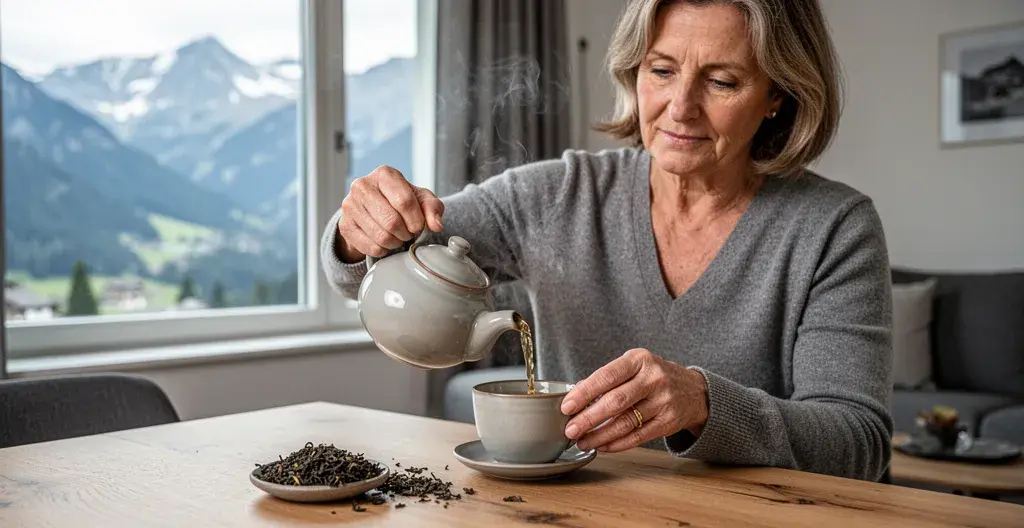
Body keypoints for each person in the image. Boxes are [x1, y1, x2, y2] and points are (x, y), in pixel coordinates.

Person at [321, 0, 893, 482]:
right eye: (661, 70)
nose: (680, 108)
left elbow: (858, 444)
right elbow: (372, 269)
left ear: (777, 95)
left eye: (722, 81)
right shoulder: (557, 196)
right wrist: (357, 230)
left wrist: (702, 403)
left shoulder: (834, 227)